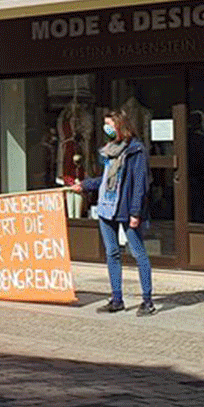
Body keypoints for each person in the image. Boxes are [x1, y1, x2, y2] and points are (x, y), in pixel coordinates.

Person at [75, 110, 156, 316]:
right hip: (106, 207)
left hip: (127, 209)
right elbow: (105, 180)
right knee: (112, 253)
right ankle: (116, 298)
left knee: (138, 253)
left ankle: (147, 300)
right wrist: (85, 185)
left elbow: (140, 184)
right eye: (105, 126)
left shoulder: (136, 150)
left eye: (110, 125)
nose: (107, 130)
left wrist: (136, 212)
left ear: (121, 126)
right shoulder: (108, 151)